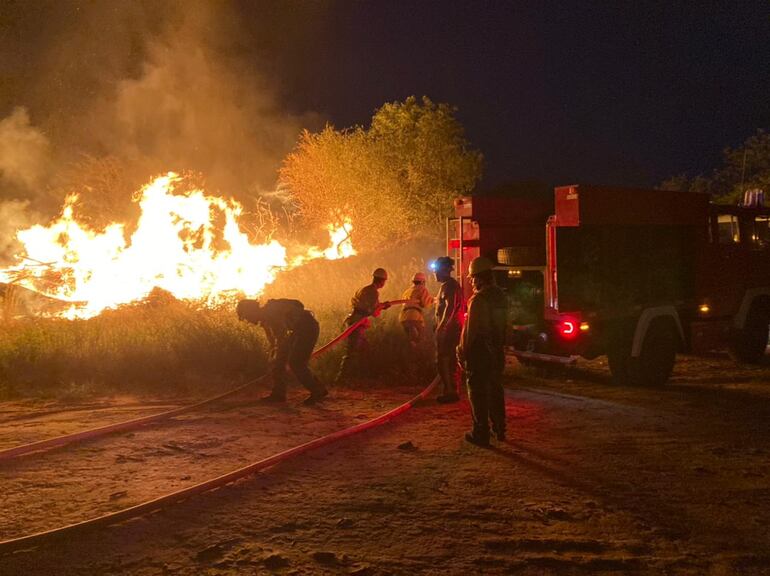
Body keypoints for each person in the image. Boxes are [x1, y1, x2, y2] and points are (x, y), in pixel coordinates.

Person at [456, 256, 508, 447]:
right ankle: (500, 428)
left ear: (479, 278)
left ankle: (481, 433)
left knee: (477, 393)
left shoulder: (478, 300)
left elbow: (471, 331)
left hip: (480, 354)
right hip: (496, 351)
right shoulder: (501, 297)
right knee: (495, 390)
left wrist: (461, 352)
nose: (471, 282)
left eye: (472, 278)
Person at [236, 298, 328, 405]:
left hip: (307, 328)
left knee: (296, 363)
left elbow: (281, 335)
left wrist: (279, 352)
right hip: (298, 330)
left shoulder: (271, 313)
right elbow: (274, 341)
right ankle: (279, 394)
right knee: (280, 362)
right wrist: (275, 355)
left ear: (251, 311)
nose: (248, 320)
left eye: (247, 316)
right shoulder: (265, 319)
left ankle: (317, 390)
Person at [335, 268, 390, 384]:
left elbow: (368, 306)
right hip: (357, 324)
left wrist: (381, 305)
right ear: (381, 281)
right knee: (352, 351)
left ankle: (361, 377)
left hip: (356, 321)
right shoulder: (373, 292)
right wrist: (383, 307)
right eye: (384, 281)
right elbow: (373, 312)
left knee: (365, 350)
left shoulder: (365, 289)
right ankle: (341, 379)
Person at [433, 256, 464, 403]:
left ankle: (451, 391)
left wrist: (442, 327)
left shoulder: (450, 286)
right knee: (445, 360)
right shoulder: (446, 286)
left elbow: (451, 308)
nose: (435, 273)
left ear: (445, 270)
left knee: (446, 360)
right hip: (448, 329)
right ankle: (450, 390)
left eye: (437, 270)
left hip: (450, 331)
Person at [399, 272, 434, 349]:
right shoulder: (422, 289)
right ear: (422, 282)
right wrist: (432, 301)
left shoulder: (407, 291)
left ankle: (410, 356)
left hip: (403, 317)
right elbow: (425, 304)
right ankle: (418, 356)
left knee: (411, 340)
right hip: (414, 317)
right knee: (421, 339)